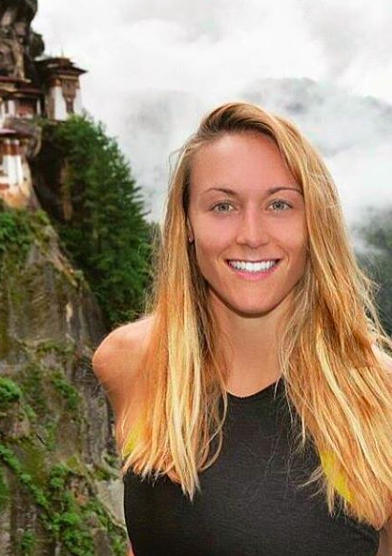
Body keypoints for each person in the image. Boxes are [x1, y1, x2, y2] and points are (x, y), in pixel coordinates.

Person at [92, 101, 392, 556]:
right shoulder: (130, 362)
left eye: (279, 204)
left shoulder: (379, 399)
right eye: (223, 205)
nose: (251, 234)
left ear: (314, 222)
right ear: (187, 223)